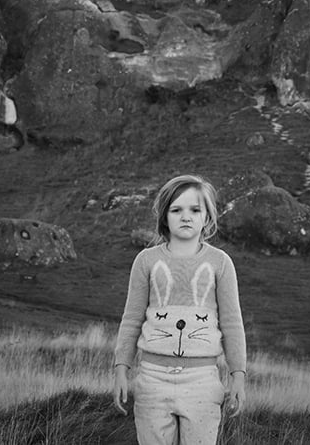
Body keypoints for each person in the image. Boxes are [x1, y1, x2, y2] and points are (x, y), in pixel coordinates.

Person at [113, 173, 247, 445]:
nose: (186, 216)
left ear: (207, 217)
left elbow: (232, 323)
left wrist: (238, 375)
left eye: (195, 210)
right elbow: (132, 319)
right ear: (164, 216)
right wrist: (121, 368)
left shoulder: (220, 263)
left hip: (202, 381)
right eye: (177, 210)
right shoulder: (145, 261)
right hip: (151, 379)